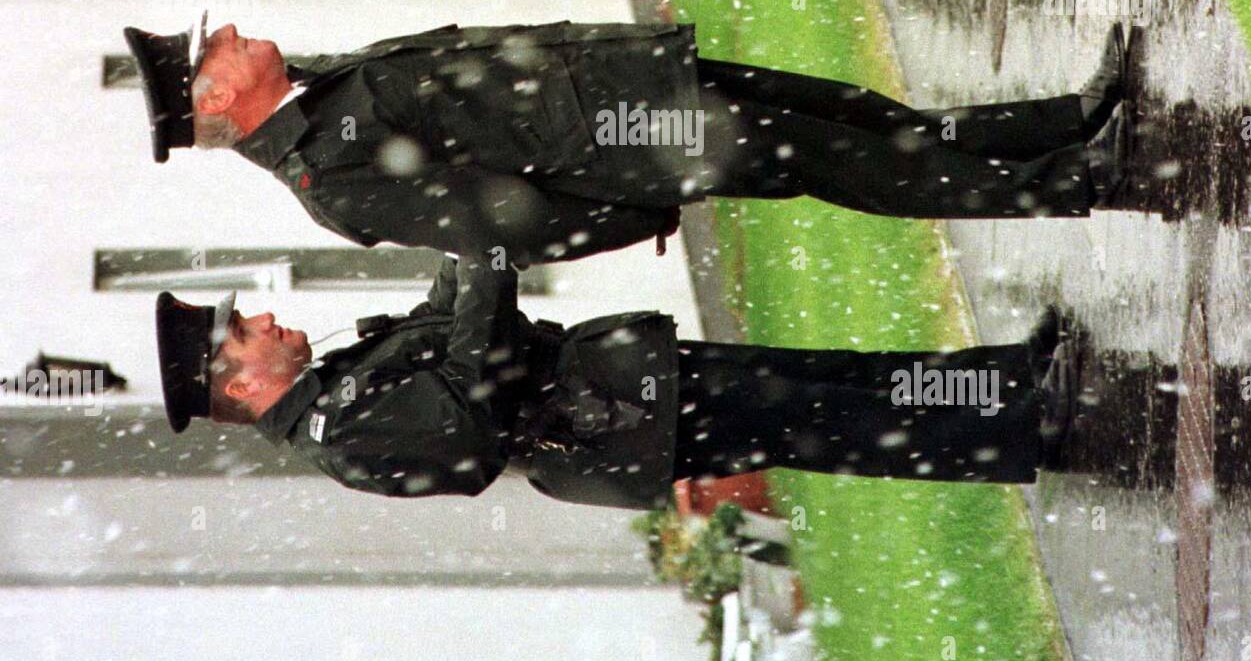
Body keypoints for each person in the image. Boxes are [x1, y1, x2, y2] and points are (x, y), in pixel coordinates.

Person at [123, 17, 1133, 267]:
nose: (226, 33)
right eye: (209, 47)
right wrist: (641, 205)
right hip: (626, 137)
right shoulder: (329, 176)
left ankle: (1058, 124)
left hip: (633, 82)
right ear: (215, 93)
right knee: (845, 161)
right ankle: (1069, 182)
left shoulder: (319, 74)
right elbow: (502, 226)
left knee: (858, 118)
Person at [154, 256, 1084, 509]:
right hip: (620, 423)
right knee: (835, 424)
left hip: (623, 384)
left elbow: (449, 325)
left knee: (830, 378)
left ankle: (1004, 380)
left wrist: (458, 219)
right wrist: (486, 259)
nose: (267, 320)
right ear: (239, 387)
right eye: (244, 333)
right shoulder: (341, 436)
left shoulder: (337, 382)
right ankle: (1020, 431)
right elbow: (474, 403)